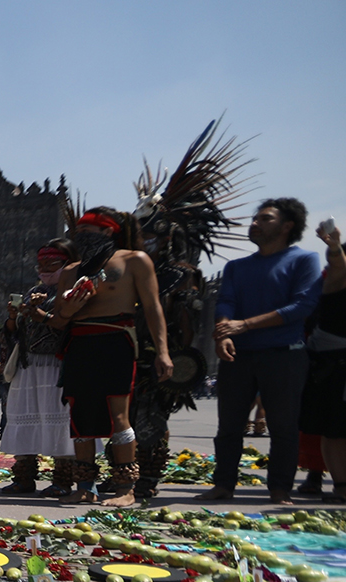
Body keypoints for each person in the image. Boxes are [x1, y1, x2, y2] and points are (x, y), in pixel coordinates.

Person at [199, 199, 324, 502]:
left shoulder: (304, 260)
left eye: (265, 219)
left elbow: (302, 306)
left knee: (283, 426)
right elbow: (225, 301)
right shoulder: (236, 267)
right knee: (228, 426)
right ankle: (223, 484)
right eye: (255, 219)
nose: (254, 223)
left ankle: (280, 488)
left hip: (284, 355)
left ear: (287, 226)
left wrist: (245, 326)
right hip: (238, 355)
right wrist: (224, 333)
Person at [48, 208, 172, 507]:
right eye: (78, 231)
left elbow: (153, 308)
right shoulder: (70, 271)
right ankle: (85, 485)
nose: (80, 236)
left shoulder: (134, 260)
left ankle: (124, 488)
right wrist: (70, 308)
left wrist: (163, 352)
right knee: (79, 415)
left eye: (88, 229)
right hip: (79, 342)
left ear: (108, 231)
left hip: (116, 339)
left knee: (119, 415)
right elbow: (57, 321)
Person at [0, 240, 80, 496]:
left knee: (58, 419)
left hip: (57, 365)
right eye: (41, 264)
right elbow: (12, 333)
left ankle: (63, 479)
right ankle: (24, 477)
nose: (44, 268)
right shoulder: (33, 291)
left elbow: (68, 325)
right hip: (28, 365)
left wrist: (40, 313)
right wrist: (15, 316)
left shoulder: (74, 292)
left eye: (51, 263)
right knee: (23, 415)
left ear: (67, 265)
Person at [299, 217, 346, 500]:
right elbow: (338, 262)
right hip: (335, 363)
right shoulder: (336, 279)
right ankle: (340, 486)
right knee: (334, 428)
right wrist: (335, 245)